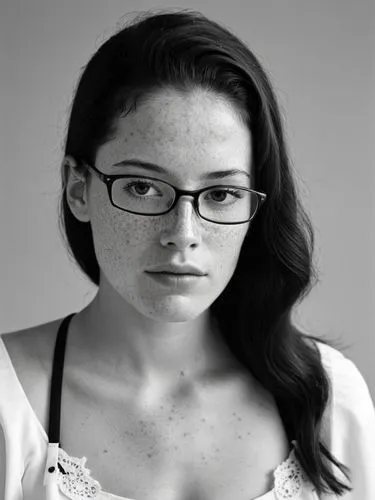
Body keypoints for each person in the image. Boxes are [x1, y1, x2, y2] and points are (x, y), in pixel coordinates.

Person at [1, 7, 374, 500]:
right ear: (78, 189)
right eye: (141, 187)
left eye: (220, 194)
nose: (183, 233)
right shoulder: (8, 404)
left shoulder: (327, 398)